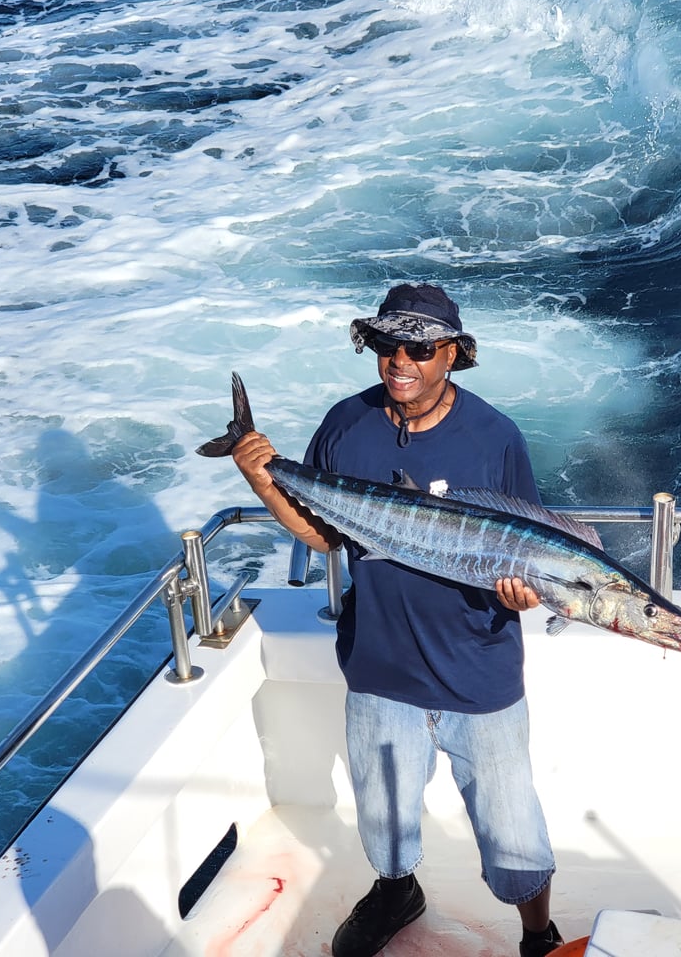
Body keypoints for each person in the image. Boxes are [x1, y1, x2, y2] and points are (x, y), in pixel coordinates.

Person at [232, 283, 563, 957]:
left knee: (513, 830)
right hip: (380, 666)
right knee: (383, 818)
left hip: (479, 672)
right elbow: (326, 537)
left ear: (453, 355)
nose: (400, 359)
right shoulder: (346, 423)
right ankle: (396, 891)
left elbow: (525, 547)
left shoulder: (494, 436)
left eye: (420, 346)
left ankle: (538, 932)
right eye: (388, 343)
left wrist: (521, 593)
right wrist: (262, 477)